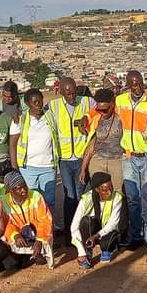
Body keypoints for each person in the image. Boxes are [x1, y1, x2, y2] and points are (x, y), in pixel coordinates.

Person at [117, 70, 147, 247]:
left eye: (139, 82)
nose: (137, 87)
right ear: (128, 84)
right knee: (133, 199)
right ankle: (136, 235)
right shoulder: (120, 101)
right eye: (133, 83)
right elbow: (102, 111)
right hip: (128, 157)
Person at [48, 77, 95, 231]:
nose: (72, 97)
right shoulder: (53, 106)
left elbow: (100, 108)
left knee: (81, 193)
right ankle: (69, 231)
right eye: (67, 94)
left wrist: (87, 117)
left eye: (74, 93)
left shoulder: (87, 102)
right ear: (61, 92)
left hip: (82, 157)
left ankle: (80, 229)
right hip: (65, 159)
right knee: (69, 194)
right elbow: (34, 111)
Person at [9, 89, 58, 216]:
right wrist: (15, 168)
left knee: (49, 200)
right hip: (27, 168)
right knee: (29, 200)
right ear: (27, 104)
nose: (38, 105)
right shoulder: (20, 119)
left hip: (48, 167)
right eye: (34, 102)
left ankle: (48, 225)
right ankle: (32, 225)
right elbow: (12, 144)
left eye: (40, 101)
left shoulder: (51, 116)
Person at [71, 171, 127, 269]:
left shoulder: (117, 197)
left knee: (108, 241)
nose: (109, 192)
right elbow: (74, 226)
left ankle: (107, 250)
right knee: (85, 221)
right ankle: (87, 252)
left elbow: (113, 223)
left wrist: (96, 236)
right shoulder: (86, 199)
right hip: (93, 227)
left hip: (107, 230)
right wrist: (81, 251)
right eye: (105, 190)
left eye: (111, 188)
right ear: (97, 189)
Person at [1, 171, 54, 268]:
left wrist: (39, 239)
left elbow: (45, 220)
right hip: (19, 236)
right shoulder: (4, 202)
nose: (24, 190)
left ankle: (37, 253)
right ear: (11, 191)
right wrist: (15, 235)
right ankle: (22, 256)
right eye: (19, 188)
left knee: (44, 235)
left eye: (24, 186)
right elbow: (6, 224)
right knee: (3, 240)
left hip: (36, 232)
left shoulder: (36, 196)